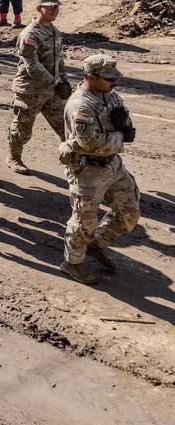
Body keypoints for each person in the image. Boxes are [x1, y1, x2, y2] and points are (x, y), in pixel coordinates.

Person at [59, 55, 141, 285]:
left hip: (112, 165)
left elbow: (125, 120)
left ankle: (96, 244)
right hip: (88, 170)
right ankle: (72, 263)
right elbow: (90, 143)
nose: (114, 83)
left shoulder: (110, 95)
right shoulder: (80, 106)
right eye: (109, 79)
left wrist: (125, 125)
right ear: (91, 78)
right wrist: (120, 135)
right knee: (84, 221)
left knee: (129, 212)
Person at [7, 0, 70, 175]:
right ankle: (13, 156)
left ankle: (74, 162)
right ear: (38, 8)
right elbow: (31, 64)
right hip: (30, 90)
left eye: (56, 7)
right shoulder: (30, 34)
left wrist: (64, 79)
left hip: (52, 91)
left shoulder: (54, 32)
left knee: (66, 127)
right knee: (22, 129)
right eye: (49, 7)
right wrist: (54, 82)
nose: (53, 10)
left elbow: (59, 60)